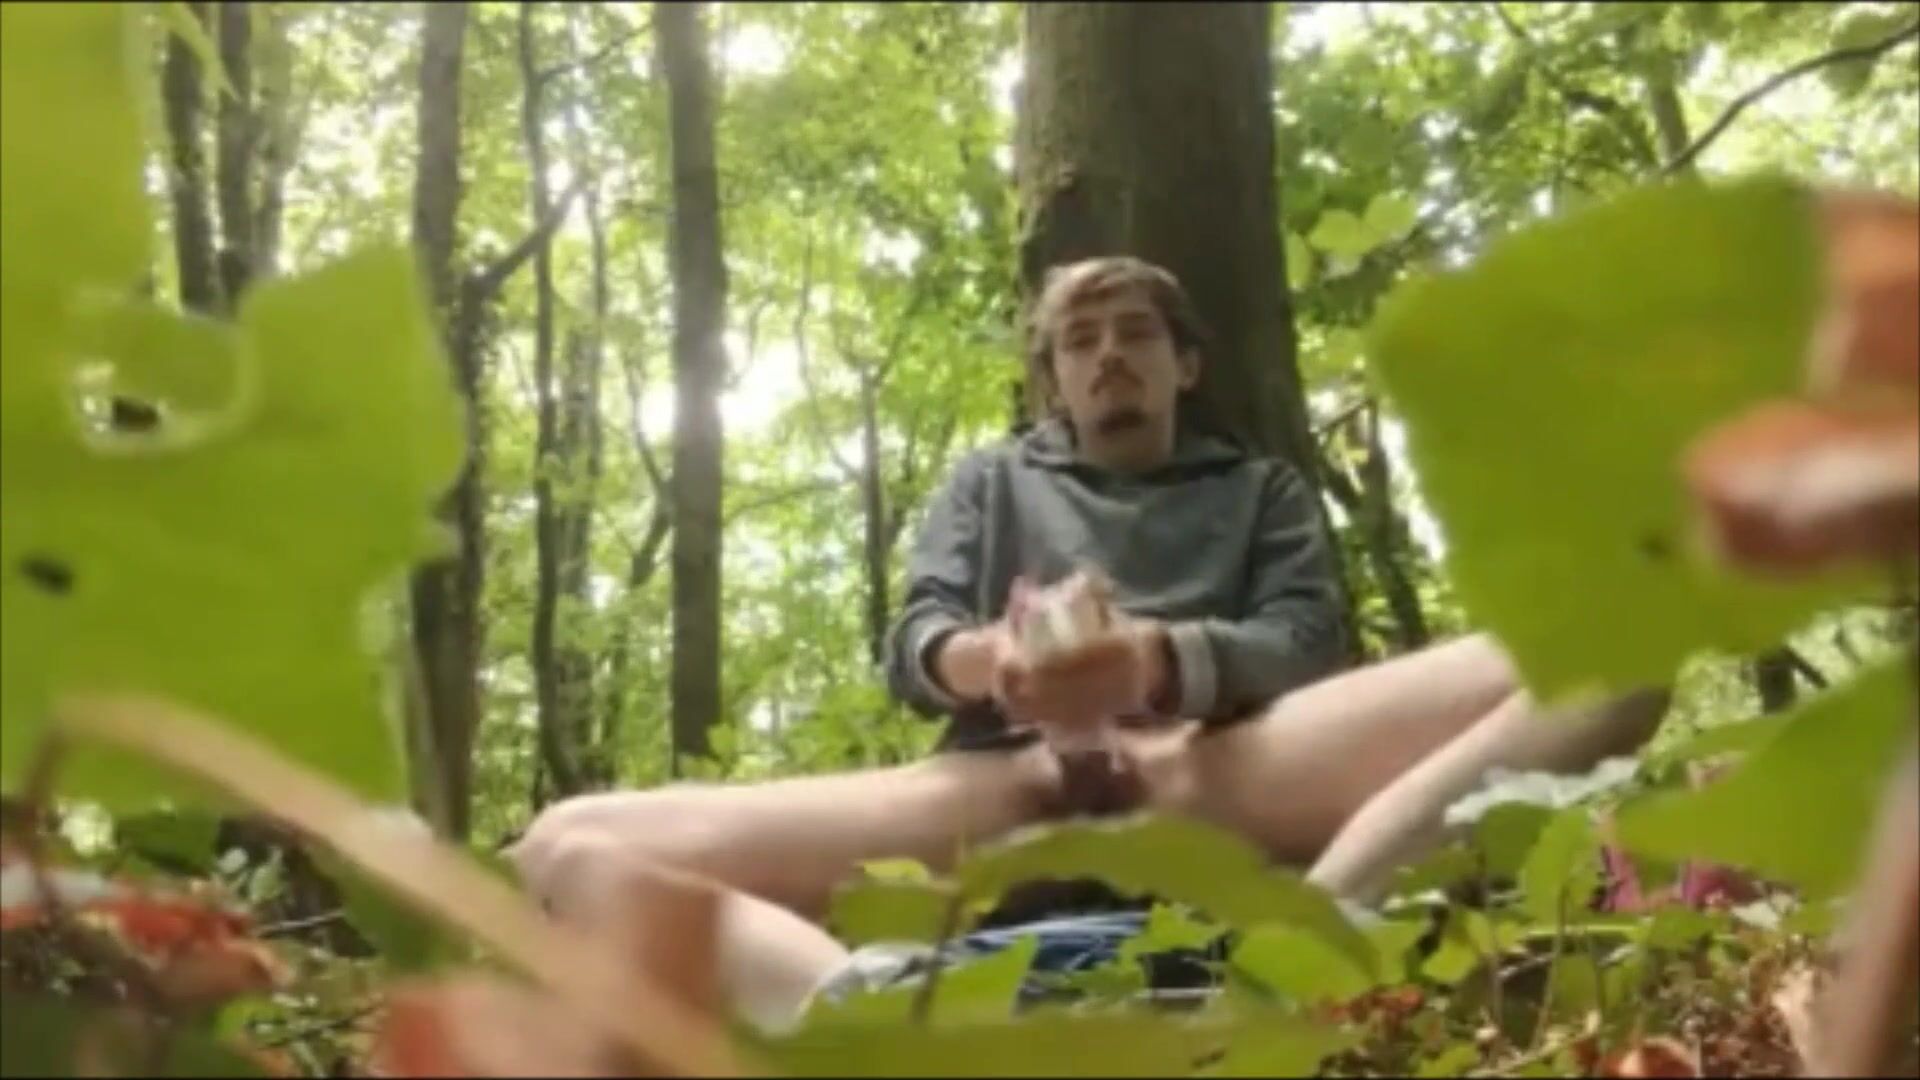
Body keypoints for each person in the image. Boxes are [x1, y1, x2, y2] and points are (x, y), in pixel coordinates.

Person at [509, 255, 1669, 1031]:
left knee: (1617, 651)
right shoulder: (989, 480)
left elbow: (1306, 644)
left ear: (1184, 364)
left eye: (1134, 334)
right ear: (1052, 377)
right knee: (565, 848)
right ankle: (885, 1018)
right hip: (999, 790)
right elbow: (917, 638)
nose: (1108, 353)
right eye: (1080, 340)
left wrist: (1159, 663)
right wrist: (996, 667)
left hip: (1219, 768)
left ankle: (1296, 958)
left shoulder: (1262, 489)